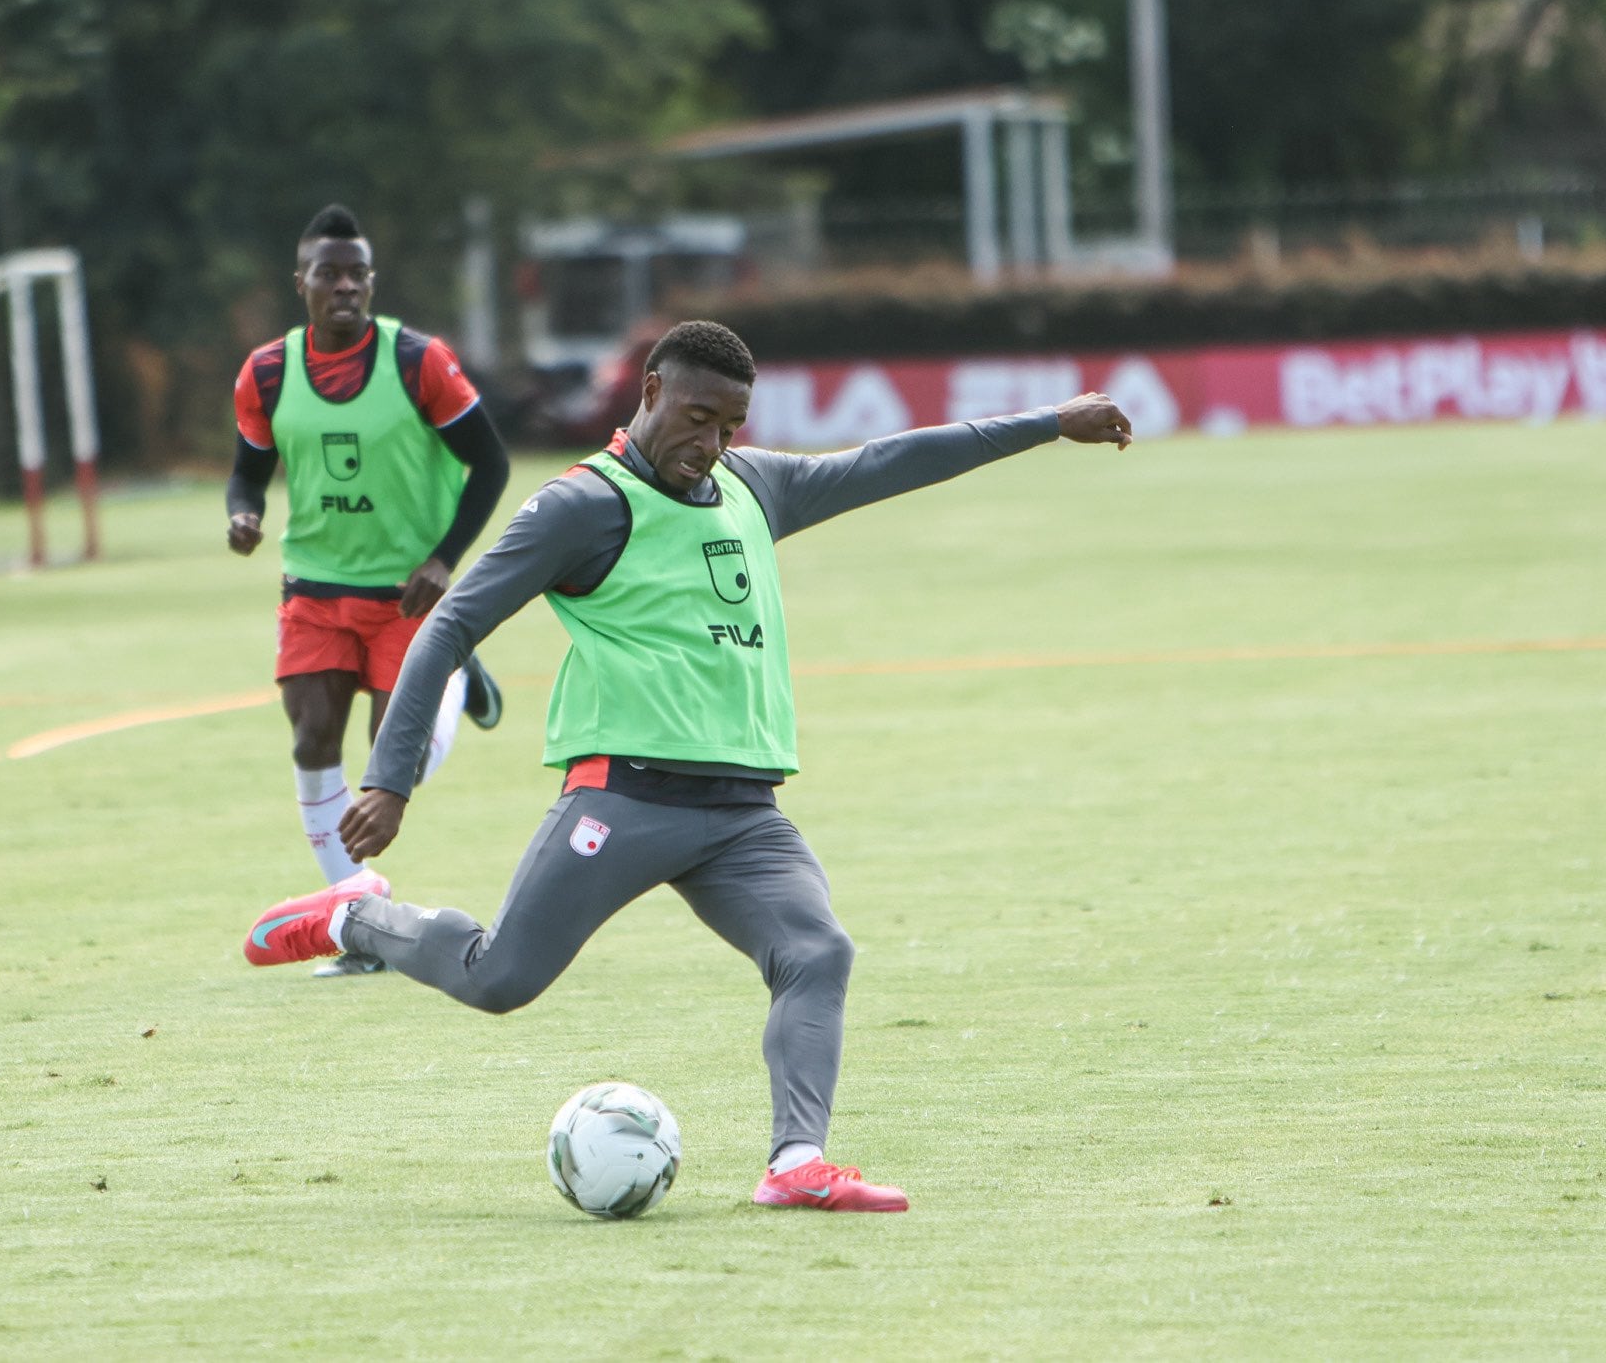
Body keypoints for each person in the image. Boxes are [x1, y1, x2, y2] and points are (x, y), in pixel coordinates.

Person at [242, 320, 1133, 1209]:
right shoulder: (581, 506)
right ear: (653, 392)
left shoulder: (754, 487)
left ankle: (795, 1163)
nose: (710, 445)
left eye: (730, 426)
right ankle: (356, 918)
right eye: (698, 417)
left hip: (742, 812)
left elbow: (889, 460)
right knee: (499, 977)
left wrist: (1049, 422)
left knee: (817, 950)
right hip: (623, 796)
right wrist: (391, 778)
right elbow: (449, 624)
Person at [226, 203, 511, 977]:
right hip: (315, 589)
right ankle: (355, 920)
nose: (345, 285)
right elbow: (248, 468)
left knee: (399, 764)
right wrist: (243, 512)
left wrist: (446, 559)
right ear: (302, 283)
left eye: (358, 273)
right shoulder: (269, 372)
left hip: (406, 596)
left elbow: (491, 464)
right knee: (313, 738)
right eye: (330, 273)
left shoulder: (420, 362)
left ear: (371, 282)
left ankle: (460, 674)